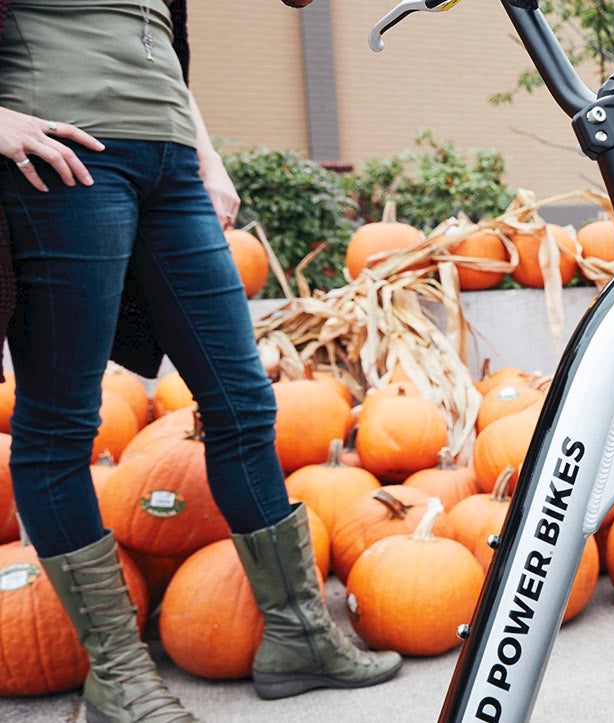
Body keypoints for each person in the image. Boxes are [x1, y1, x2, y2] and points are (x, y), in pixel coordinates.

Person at [0, 2, 402, 721]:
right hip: (63, 159)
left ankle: (298, 637)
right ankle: (118, 677)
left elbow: (159, 41)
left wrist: (205, 156)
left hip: (171, 163)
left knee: (242, 401)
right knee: (61, 424)